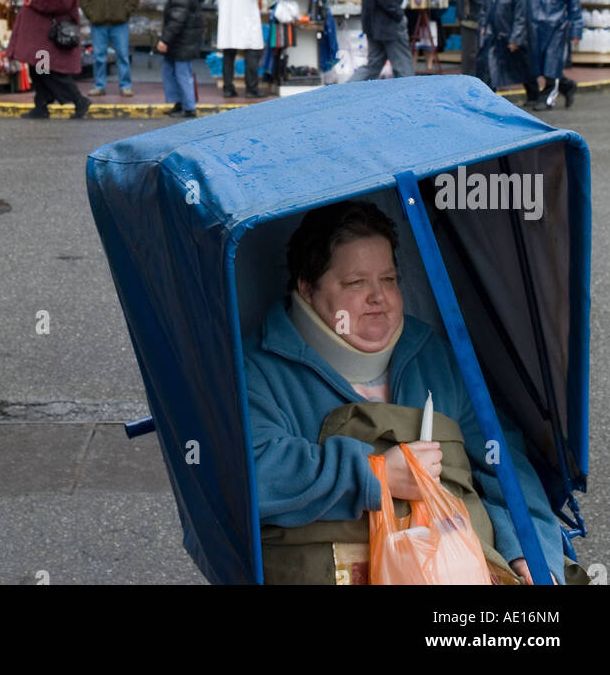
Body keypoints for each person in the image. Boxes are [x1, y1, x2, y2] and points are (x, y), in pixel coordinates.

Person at [242, 200, 567, 586]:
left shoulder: (432, 355)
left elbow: (504, 462)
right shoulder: (259, 367)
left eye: (389, 279)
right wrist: (373, 476)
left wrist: (529, 551)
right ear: (307, 288)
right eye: (355, 283)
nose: (378, 297)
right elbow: (253, 476)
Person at [488, 0, 582, 110]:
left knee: (552, 64)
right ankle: (567, 86)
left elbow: (574, 7)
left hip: (556, 29)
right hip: (535, 29)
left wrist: (576, 31)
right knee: (540, 65)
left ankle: (547, 99)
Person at [6, 0, 90, 119]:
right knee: (40, 71)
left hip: (46, 38)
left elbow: (62, 3)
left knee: (49, 72)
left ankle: (79, 101)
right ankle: (42, 105)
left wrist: (34, 0)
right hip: (42, 37)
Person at [79, 0, 139, 99]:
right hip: (98, 23)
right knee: (99, 56)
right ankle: (99, 85)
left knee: (123, 55)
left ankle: (125, 86)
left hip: (119, 23)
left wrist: (125, 12)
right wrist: (91, 13)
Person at [209, 0, 265, 99]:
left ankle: (228, 88)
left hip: (228, 16)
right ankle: (251, 89)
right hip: (246, 14)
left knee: (228, 53)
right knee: (252, 52)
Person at [157, 0, 204, 118]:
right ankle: (179, 103)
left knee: (182, 72)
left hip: (182, 39)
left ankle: (189, 107)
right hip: (181, 39)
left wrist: (165, 39)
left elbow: (178, 17)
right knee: (169, 71)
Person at [476, 0, 530, 94]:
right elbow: (484, 11)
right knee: (490, 68)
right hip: (494, 37)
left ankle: (533, 95)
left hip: (509, 36)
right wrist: (483, 26)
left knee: (523, 68)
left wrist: (515, 39)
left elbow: (520, 19)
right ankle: (488, 96)